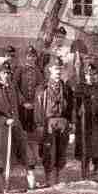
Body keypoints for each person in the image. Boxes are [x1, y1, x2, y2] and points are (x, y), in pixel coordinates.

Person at [0, 62, 37, 192]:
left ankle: (31, 178)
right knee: (4, 156)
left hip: (16, 125)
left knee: (26, 151)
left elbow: (22, 101)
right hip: (2, 128)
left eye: (8, 73)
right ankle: (4, 183)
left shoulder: (13, 87)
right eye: (4, 73)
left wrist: (29, 105)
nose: (7, 75)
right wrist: (4, 120)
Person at [34, 56, 74, 186]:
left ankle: (58, 177)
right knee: (48, 151)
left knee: (61, 151)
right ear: (50, 69)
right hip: (48, 122)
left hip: (63, 122)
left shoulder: (66, 88)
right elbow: (38, 108)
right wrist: (40, 125)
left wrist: (71, 123)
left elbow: (71, 107)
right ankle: (48, 179)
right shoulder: (43, 88)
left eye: (60, 68)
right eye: (55, 68)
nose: (58, 71)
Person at [73, 63, 98, 181]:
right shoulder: (79, 88)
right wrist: (74, 123)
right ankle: (84, 175)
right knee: (85, 150)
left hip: (97, 123)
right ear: (84, 75)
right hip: (84, 124)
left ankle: (97, 173)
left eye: (93, 74)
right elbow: (74, 107)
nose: (90, 77)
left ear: (96, 75)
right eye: (87, 74)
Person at [14, 45, 45, 182]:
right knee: (23, 133)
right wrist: (23, 102)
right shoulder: (19, 70)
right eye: (29, 56)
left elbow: (41, 86)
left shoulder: (38, 71)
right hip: (22, 108)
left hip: (34, 107)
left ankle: (32, 158)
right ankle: (24, 158)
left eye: (33, 56)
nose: (31, 58)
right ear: (25, 57)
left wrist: (36, 102)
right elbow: (14, 87)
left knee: (33, 132)